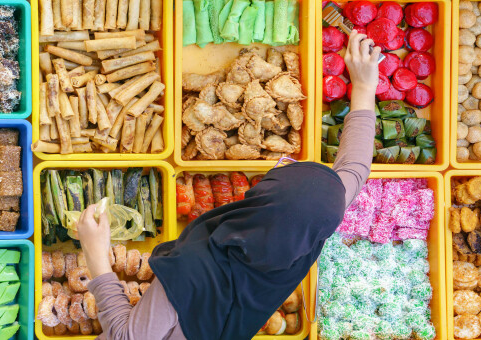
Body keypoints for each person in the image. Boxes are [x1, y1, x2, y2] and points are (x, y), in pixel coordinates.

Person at [77, 31, 380, 340]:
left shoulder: (194, 270)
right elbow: (355, 168)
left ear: (258, 197)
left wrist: (96, 255)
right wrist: (366, 87)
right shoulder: (304, 242)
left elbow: (126, 337)